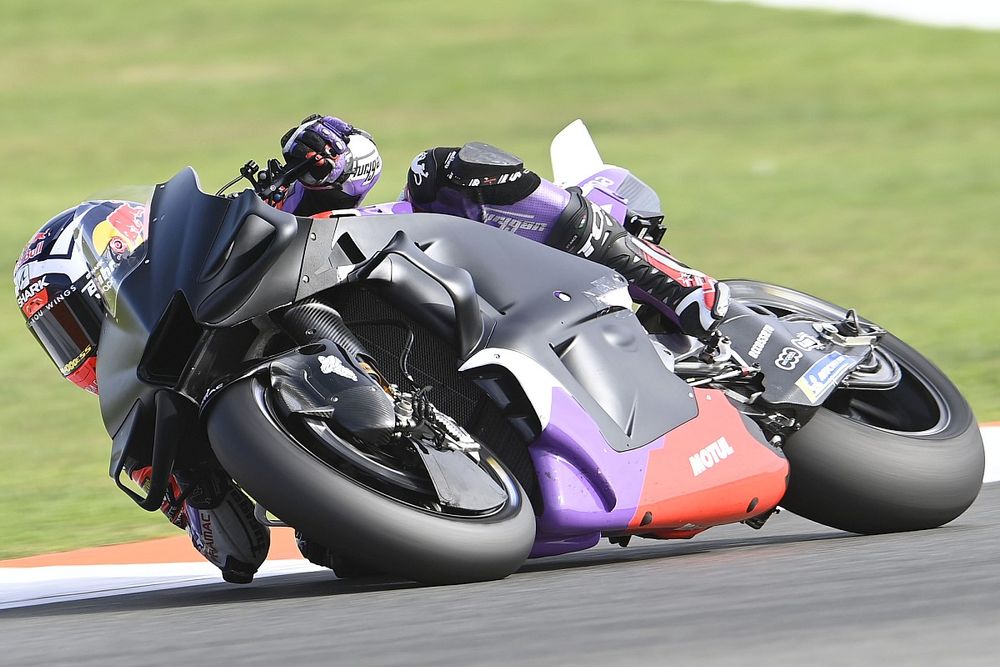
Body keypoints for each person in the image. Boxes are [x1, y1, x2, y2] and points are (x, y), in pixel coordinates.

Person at [14, 114, 729, 582]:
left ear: (119, 261)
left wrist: (316, 160)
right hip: (433, 500)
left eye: (79, 315)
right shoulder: (150, 434)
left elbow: (357, 164)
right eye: (63, 338)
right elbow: (238, 554)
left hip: (450, 265)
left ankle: (665, 279)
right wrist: (198, 490)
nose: (81, 346)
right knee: (338, 555)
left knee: (447, 171)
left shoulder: (231, 250)